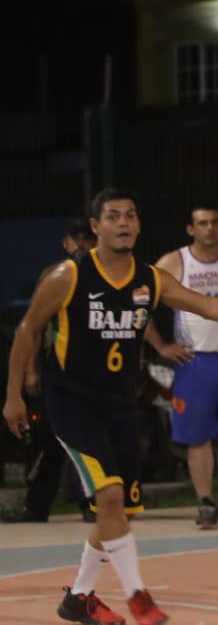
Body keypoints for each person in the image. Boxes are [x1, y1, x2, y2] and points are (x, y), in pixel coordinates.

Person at [3, 189, 218, 625]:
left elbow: (207, 304)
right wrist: (14, 395)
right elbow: (27, 329)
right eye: (112, 216)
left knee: (122, 510)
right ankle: (137, 595)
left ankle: (79, 597)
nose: (123, 222)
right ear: (96, 227)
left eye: (130, 215)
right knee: (109, 496)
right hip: (72, 403)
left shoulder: (150, 280)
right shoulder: (67, 276)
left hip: (119, 404)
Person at [147, 204, 218, 530]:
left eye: (214, 222)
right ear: (190, 229)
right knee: (198, 439)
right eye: (202, 223)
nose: (208, 228)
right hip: (196, 361)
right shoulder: (174, 262)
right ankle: (206, 502)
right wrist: (161, 346)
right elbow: (138, 301)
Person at [2, 219, 97, 524]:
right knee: (50, 438)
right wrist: (30, 372)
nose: (81, 244)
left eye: (87, 238)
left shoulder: (107, 271)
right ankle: (37, 505)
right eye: (76, 238)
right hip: (57, 367)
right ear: (66, 242)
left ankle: (92, 501)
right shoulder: (55, 275)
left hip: (96, 370)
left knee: (91, 437)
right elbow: (34, 328)